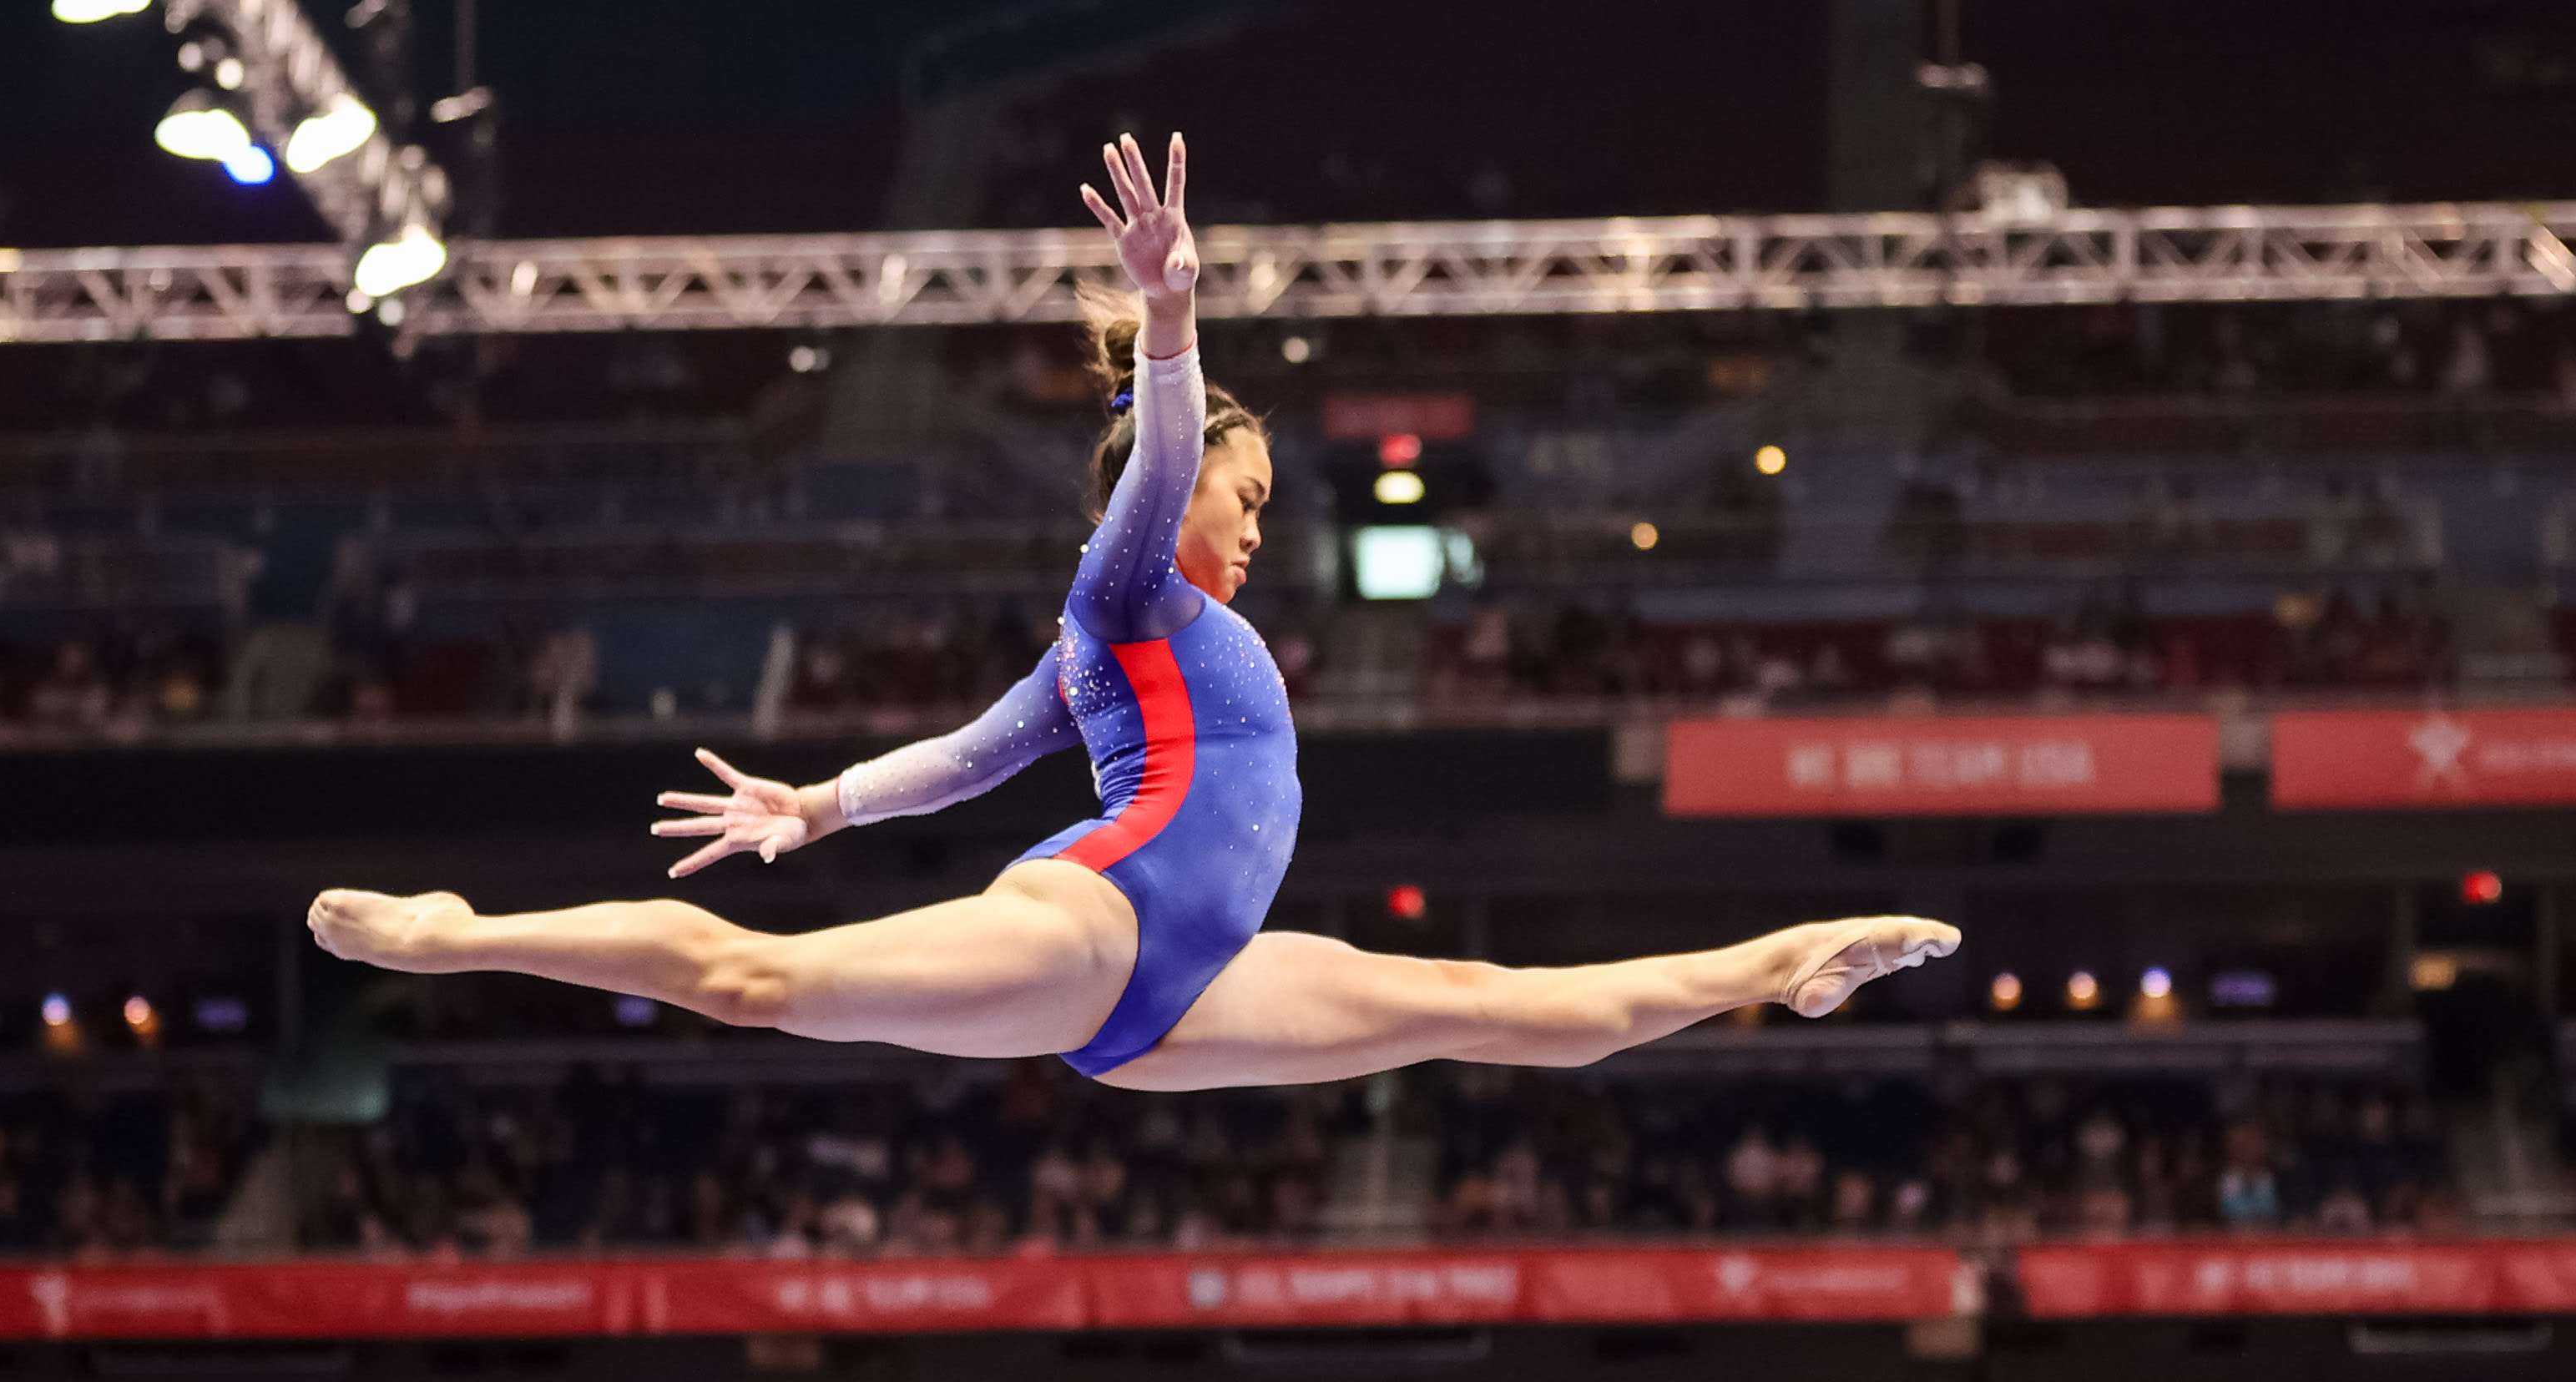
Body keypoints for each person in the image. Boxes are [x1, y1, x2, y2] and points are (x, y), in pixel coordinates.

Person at [307, 132, 1958, 1088]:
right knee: (759, 986)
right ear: (1173, 504)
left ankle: (1785, 956)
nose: (1253, 530)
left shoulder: (1114, 655)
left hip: (1194, 976)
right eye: (1243, 500)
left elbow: (972, 754)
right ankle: (461, 932)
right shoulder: (1129, 587)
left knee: (1492, 1012)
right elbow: (1160, 454)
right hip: (1096, 923)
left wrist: (816, 800)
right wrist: (1172, 326)